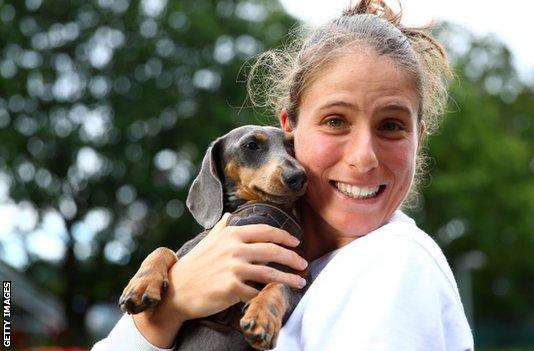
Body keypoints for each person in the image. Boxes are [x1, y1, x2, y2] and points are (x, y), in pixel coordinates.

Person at [92, 0, 474, 350]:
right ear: (289, 126)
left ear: (418, 137)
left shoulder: (394, 263)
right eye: (336, 121)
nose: (363, 158)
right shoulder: (227, 256)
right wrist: (168, 310)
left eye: (391, 125)